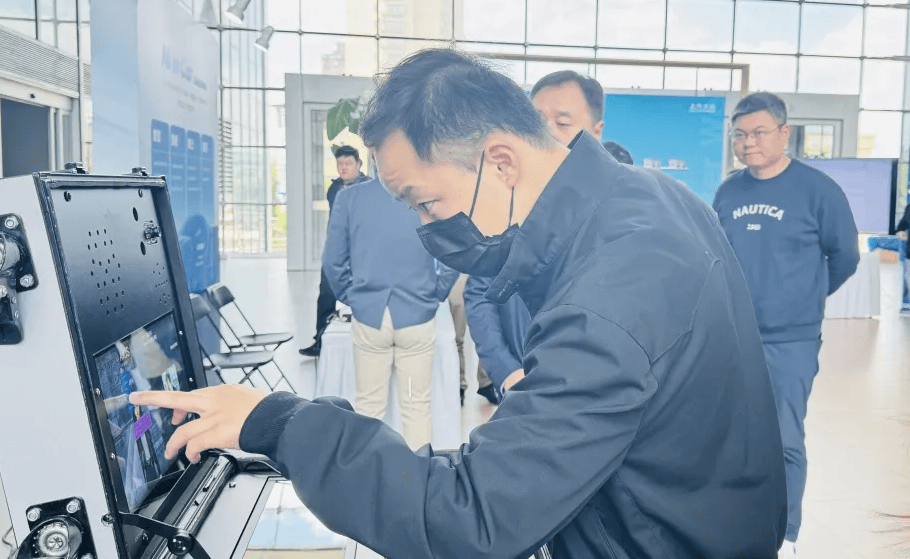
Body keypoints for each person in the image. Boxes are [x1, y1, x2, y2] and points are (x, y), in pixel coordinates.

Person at [132, 49, 786, 558]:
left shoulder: (612, 290)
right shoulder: (649, 199)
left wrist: (281, 424)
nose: (426, 229)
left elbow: (475, 519)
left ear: (500, 161)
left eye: (426, 202)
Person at [713, 92, 859, 559]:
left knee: (783, 439)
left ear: (784, 133)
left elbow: (846, 257)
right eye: (739, 135)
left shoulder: (819, 191)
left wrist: (804, 300)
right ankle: (735, 523)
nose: (748, 143)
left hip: (789, 341)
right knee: (732, 437)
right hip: (734, 336)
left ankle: (785, 535)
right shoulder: (728, 192)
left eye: (758, 132)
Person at [464, 69, 614, 396]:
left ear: (596, 132)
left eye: (562, 123)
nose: (545, 134)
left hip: (594, 390)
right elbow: (480, 293)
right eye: (535, 121)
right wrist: (505, 370)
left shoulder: (616, 210)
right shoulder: (504, 205)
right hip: (521, 383)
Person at [319, 173, 458, 448]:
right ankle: (418, 472)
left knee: (368, 407)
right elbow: (453, 254)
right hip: (416, 314)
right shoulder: (429, 193)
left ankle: (369, 471)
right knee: (416, 406)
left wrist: (353, 298)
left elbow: (332, 262)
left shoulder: (349, 198)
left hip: (371, 316)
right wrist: (436, 293)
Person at [300, 145, 369, 357]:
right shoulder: (334, 188)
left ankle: (366, 342)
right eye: (340, 164)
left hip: (362, 250)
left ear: (358, 164)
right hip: (337, 250)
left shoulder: (369, 188)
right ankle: (320, 340)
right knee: (326, 294)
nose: (344, 167)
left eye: (348, 163)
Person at [446, 274, 498, 406]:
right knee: (456, 338)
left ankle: (486, 382)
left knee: (489, 333)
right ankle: (459, 386)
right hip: (457, 273)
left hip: (483, 274)